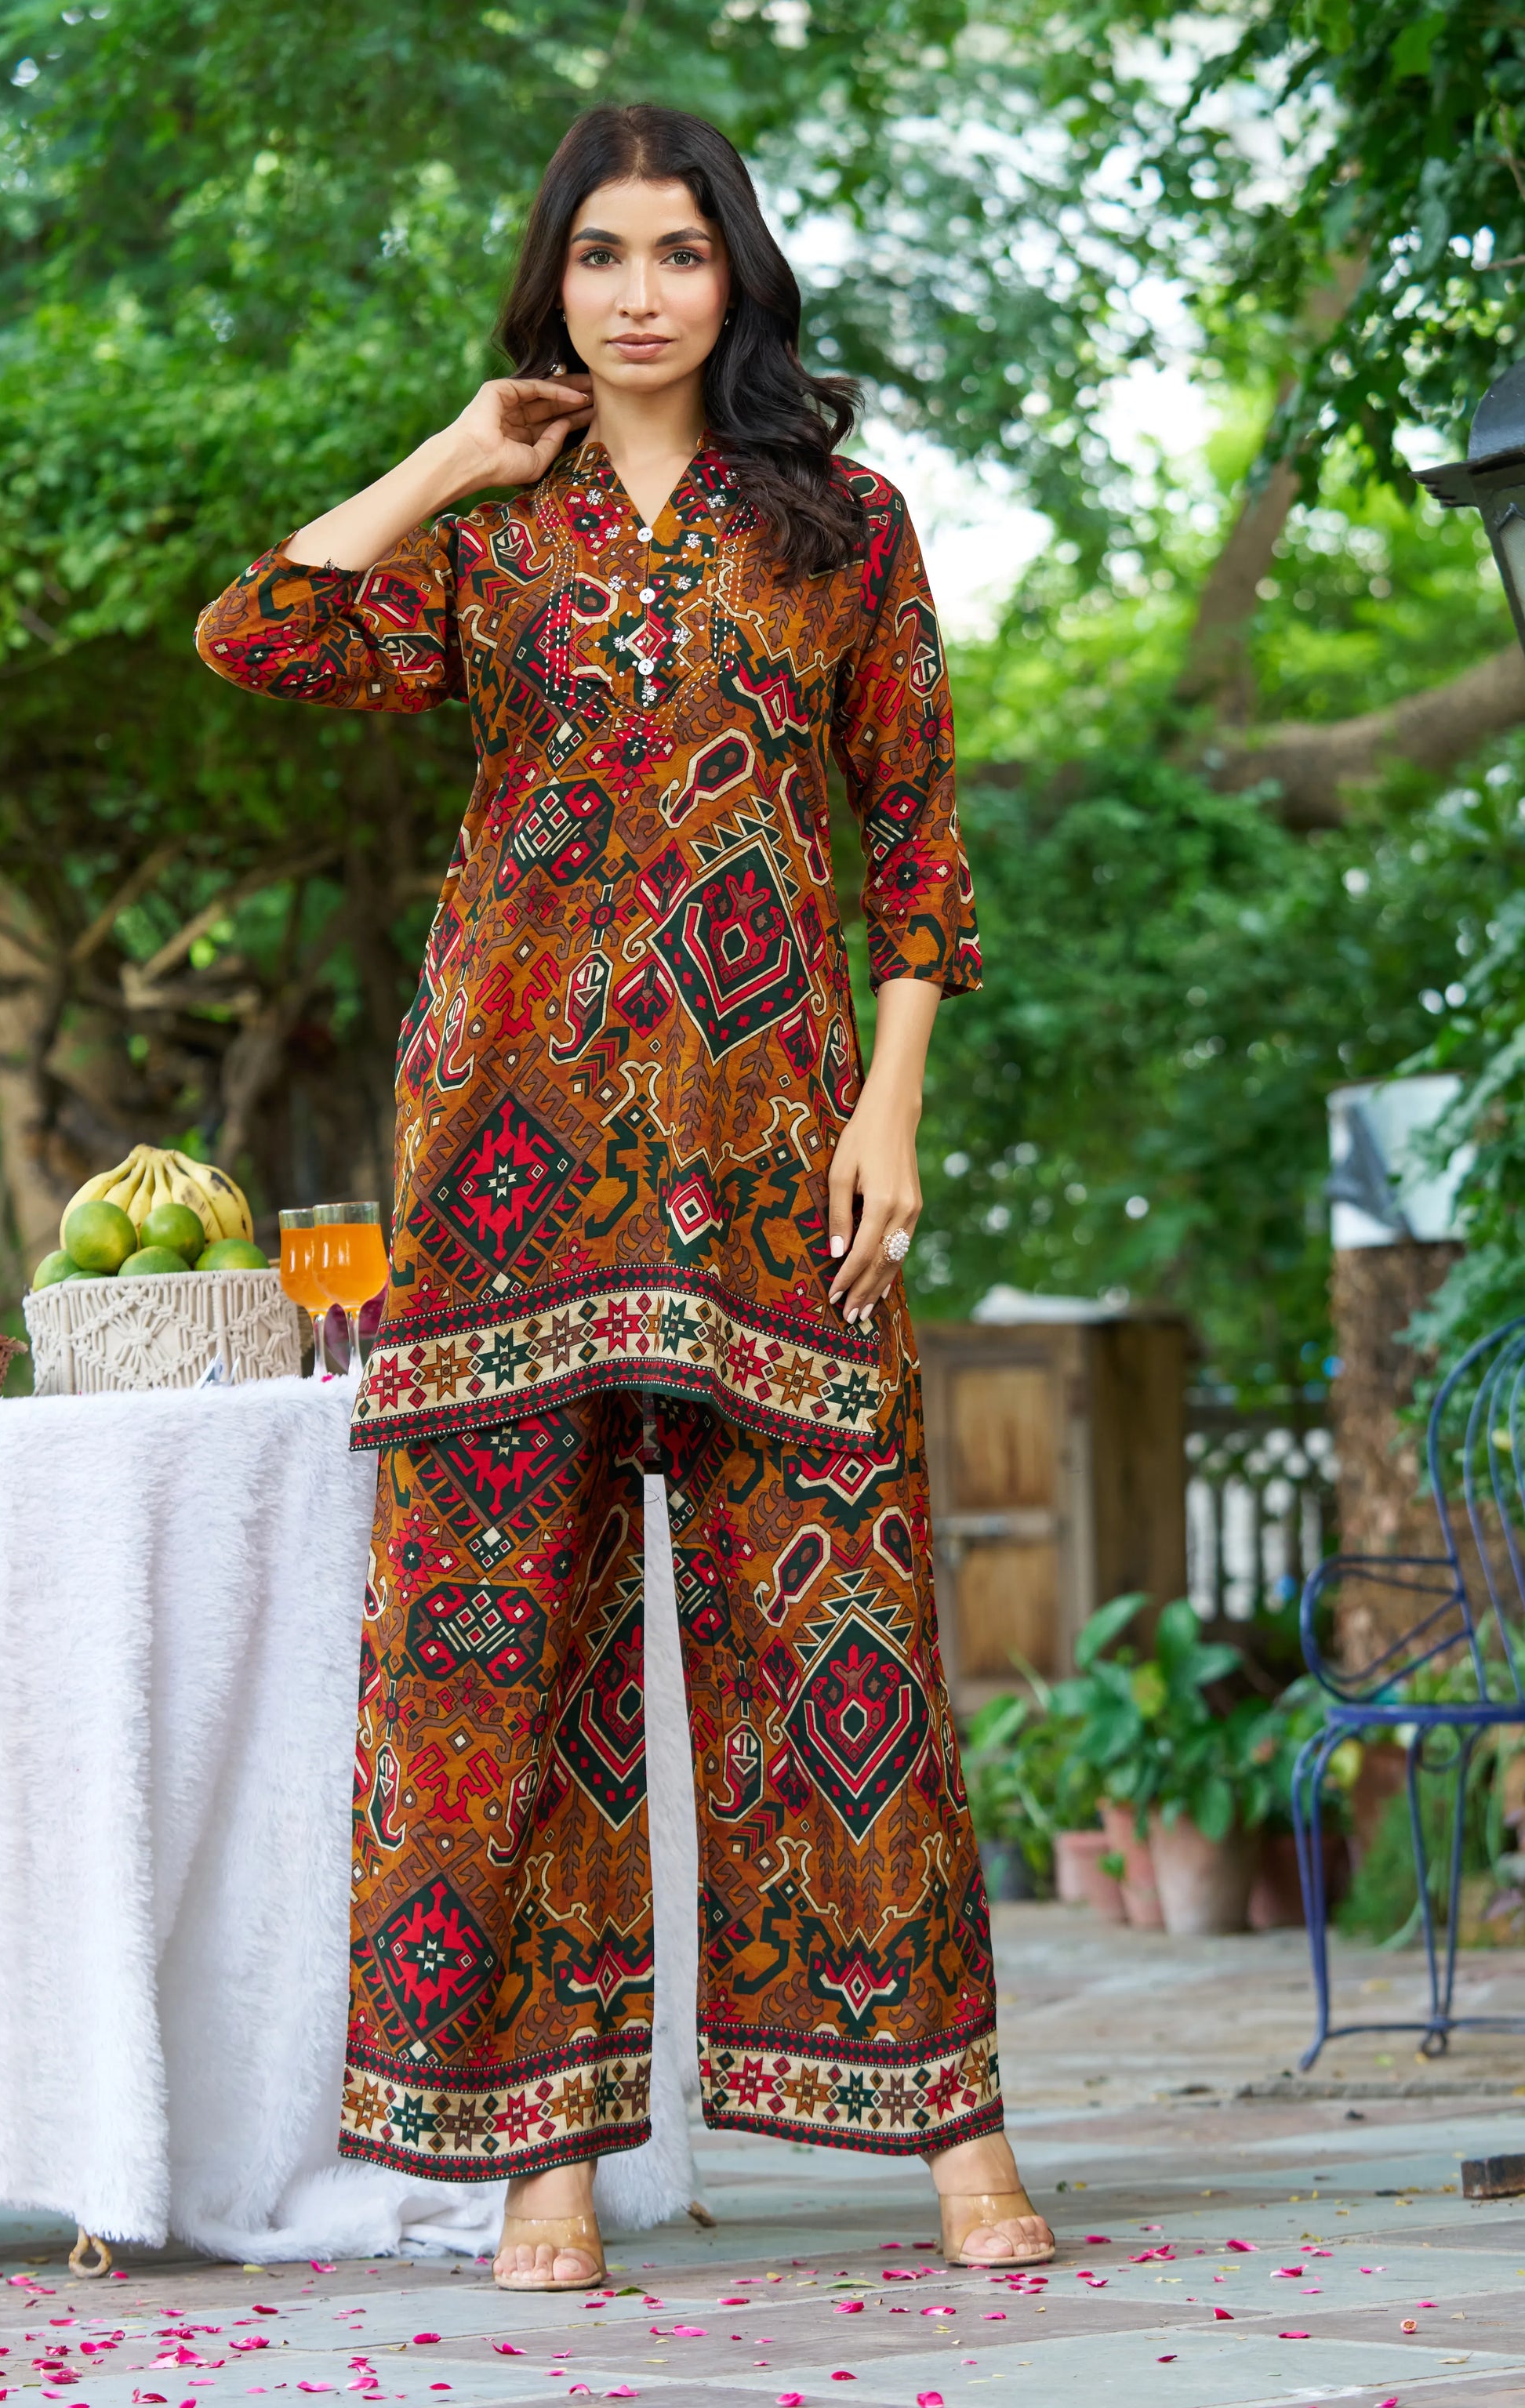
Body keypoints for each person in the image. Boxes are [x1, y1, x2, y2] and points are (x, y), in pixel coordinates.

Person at [196, 100, 1055, 2292]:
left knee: (845, 1638)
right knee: (497, 1667)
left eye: (680, 251)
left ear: (735, 274)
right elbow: (259, 633)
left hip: (778, 1157)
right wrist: (447, 459)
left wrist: (892, 1110)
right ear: (556, 286)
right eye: (602, 256)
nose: (642, 292)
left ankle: (955, 2135)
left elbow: (917, 848)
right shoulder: (497, 545)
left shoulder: (843, 530)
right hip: (506, 1165)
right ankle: (541, 2170)